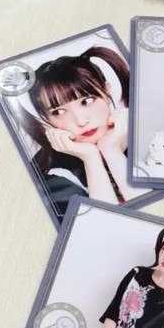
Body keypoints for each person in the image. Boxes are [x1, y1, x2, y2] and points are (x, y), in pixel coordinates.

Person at [18, 45, 142, 220]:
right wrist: (90, 158)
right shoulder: (51, 173)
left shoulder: (147, 137)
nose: (81, 121)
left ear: (107, 91)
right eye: (59, 112)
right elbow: (106, 225)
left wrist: (111, 150)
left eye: (87, 101)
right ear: (47, 119)